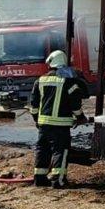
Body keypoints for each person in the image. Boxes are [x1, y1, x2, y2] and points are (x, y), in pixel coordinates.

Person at [28, 50, 84, 188]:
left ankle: (39, 179)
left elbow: (34, 106)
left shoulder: (40, 81)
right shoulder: (69, 82)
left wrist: (37, 119)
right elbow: (75, 103)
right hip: (61, 125)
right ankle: (58, 180)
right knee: (60, 150)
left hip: (43, 125)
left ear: (51, 63)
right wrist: (80, 117)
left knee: (42, 149)